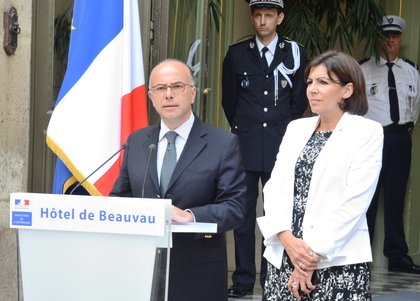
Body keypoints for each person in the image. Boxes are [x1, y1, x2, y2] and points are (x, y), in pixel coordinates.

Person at [110, 59, 247, 301]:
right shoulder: (138, 141)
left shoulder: (222, 143)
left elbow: (234, 209)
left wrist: (190, 215)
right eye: (161, 88)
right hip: (141, 271)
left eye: (178, 86)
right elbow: (119, 198)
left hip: (197, 275)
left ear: (193, 93)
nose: (169, 94)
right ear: (151, 97)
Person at [258, 51, 383, 300]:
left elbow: (354, 203)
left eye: (323, 82)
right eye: (310, 82)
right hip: (284, 256)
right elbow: (274, 188)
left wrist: (308, 258)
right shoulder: (296, 128)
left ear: (347, 90)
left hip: (337, 261)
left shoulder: (367, 131)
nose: (312, 89)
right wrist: (287, 240)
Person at [222, 0, 308, 296]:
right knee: (244, 216)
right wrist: (246, 128)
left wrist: (284, 131)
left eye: (269, 15)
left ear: (280, 17)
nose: (262, 21)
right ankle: (244, 280)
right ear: (252, 17)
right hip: (244, 145)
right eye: (258, 15)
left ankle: (272, 276)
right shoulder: (236, 54)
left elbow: (299, 100)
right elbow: (228, 101)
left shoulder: (295, 53)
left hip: (280, 145)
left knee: (277, 214)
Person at [360, 15, 420, 274]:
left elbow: (415, 108)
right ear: (380, 39)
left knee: (395, 199)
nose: (392, 40)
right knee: (368, 200)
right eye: (387, 35)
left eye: (395, 36)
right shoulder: (363, 69)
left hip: (400, 139)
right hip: (372, 139)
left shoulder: (411, 70)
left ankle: (397, 257)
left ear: (400, 39)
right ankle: (360, 257)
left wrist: (403, 129)